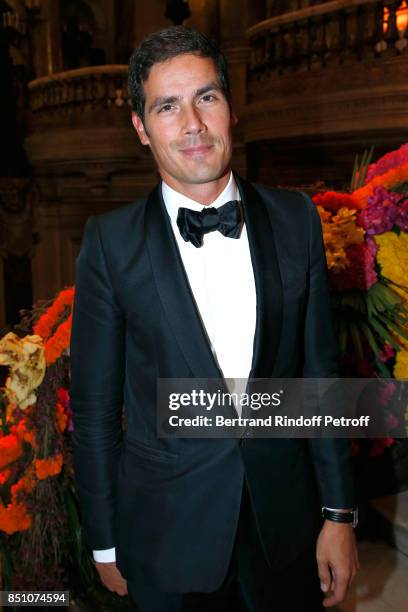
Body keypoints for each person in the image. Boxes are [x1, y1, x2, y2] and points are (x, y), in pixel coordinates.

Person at [70, 25, 359, 612]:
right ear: (141, 129)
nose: (193, 125)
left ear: (231, 107)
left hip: (285, 524)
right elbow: (94, 408)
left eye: (206, 97)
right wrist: (103, 540)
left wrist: (338, 513)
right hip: (165, 531)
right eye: (167, 106)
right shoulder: (109, 242)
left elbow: (320, 378)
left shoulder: (296, 218)